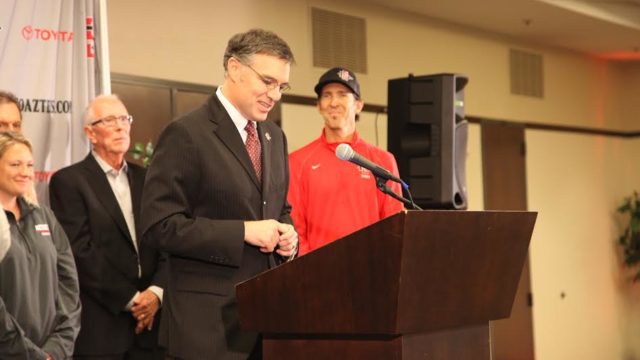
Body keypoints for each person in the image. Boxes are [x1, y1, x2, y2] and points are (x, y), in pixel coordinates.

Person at [140, 28, 298, 360]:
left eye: (282, 86)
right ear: (234, 68)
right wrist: (242, 231)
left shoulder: (274, 137)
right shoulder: (185, 134)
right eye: (267, 81)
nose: (275, 95)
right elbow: (160, 227)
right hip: (207, 329)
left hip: (266, 323)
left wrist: (287, 234)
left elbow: (278, 208)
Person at [49, 95, 166, 360]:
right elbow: (79, 251)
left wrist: (156, 293)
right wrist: (133, 300)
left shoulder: (148, 179)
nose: (121, 126)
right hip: (103, 325)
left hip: (152, 327)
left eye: (125, 119)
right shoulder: (69, 182)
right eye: (110, 120)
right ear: (90, 133)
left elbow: (166, 239)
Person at [288, 67, 404, 256]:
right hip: (318, 274)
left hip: (371, 273)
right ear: (318, 105)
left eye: (342, 94)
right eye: (327, 95)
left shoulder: (382, 161)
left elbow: (394, 225)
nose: (333, 102)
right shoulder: (297, 162)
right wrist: (310, 270)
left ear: (359, 105)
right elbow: (295, 229)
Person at [0, 131, 81, 360]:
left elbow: (69, 286)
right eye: (15, 164)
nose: (25, 172)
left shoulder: (43, 216)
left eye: (29, 165)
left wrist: (56, 349)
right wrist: (29, 354)